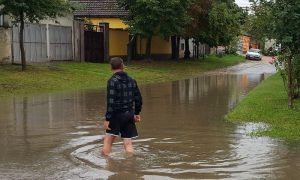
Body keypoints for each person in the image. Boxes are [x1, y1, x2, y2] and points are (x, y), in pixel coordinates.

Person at [102, 57, 143, 156]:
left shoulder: (112, 81)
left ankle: (107, 168)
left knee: (108, 142)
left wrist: (107, 119)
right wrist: (136, 113)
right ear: (123, 66)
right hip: (129, 114)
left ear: (111, 68)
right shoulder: (132, 80)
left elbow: (111, 102)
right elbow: (139, 99)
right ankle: (130, 165)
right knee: (128, 143)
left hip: (116, 115)